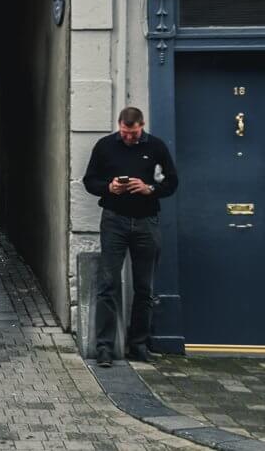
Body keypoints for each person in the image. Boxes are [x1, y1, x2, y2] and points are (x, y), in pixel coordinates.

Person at [83, 107, 177, 367]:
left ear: (142, 126)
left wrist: (149, 188)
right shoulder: (104, 147)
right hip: (114, 220)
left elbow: (172, 182)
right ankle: (104, 347)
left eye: (133, 134)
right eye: (125, 133)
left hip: (147, 221)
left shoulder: (156, 147)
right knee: (108, 283)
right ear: (119, 126)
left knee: (144, 287)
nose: (129, 139)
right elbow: (89, 181)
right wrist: (110, 187)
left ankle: (138, 345)